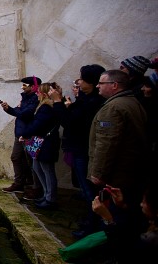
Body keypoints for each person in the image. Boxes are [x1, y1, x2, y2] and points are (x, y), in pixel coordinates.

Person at [51, 65, 106, 235]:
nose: (79, 82)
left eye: (82, 79)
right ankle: (90, 220)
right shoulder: (86, 99)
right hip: (78, 148)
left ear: (91, 81)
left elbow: (69, 122)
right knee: (85, 188)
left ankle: (93, 225)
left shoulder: (93, 103)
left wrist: (58, 102)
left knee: (90, 191)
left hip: (83, 149)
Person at [89, 69, 148, 210]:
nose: (98, 86)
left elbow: (107, 143)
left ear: (114, 85)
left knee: (111, 210)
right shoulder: (131, 101)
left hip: (115, 174)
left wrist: (98, 173)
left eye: (101, 83)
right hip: (128, 170)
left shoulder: (113, 108)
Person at [91, 181, 158, 262]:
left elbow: (123, 250)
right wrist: (122, 205)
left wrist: (108, 220)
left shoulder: (151, 239)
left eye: (144, 202)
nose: (141, 204)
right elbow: (138, 221)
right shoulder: (152, 222)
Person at [0, 76, 42, 197]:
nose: (22, 87)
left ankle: (36, 187)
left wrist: (13, 110)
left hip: (29, 134)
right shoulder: (25, 98)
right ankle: (19, 183)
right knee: (16, 157)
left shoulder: (36, 99)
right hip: (20, 134)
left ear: (33, 87)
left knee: (32, 162)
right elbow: (19, 113)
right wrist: (8, 109)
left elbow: (26, 114)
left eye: (25, 85)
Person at [20, 82, 61, 209]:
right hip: (42, 142)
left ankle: (50, 199)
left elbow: (37, 124)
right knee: (38, 167)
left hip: (46, 143)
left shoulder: (46, 108)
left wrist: (25, 134)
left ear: (43, 94)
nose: (36, 94)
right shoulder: (44, 106)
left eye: (38, 92)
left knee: (47, 171)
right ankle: (46, 194)